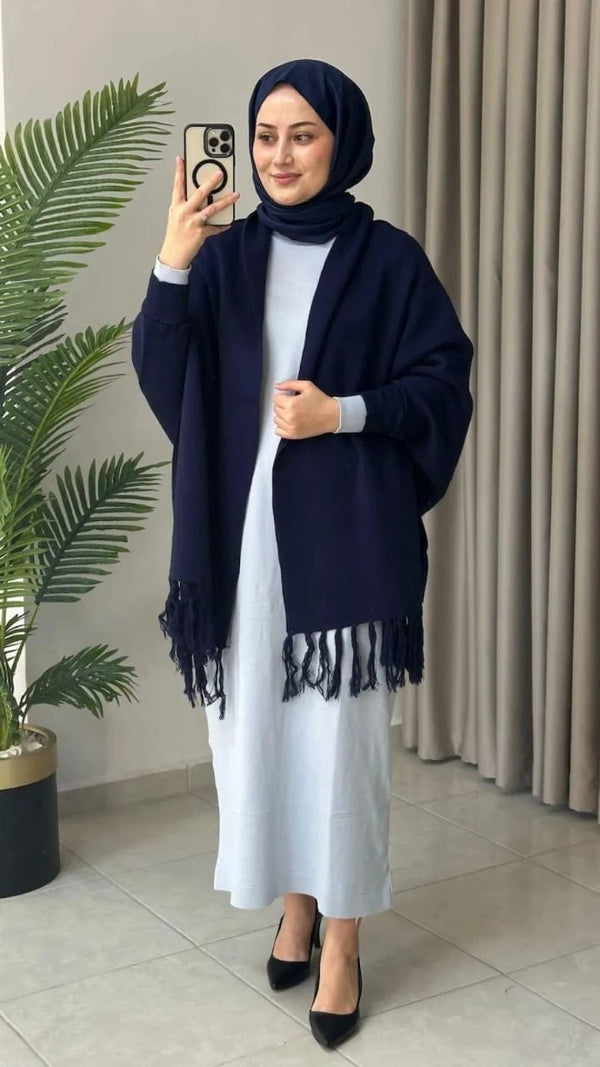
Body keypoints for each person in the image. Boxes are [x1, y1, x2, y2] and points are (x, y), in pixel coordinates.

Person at [131, 58, 473, 1050]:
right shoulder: (227, 256)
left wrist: (343, 412)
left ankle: (342, 942)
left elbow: (443, 384)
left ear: (342, 141)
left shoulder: (389, 259)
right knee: (260, 744)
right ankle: (294, 906)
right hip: (243, 551)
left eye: (304, 134)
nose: (281, 155)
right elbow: (170, 382)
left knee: (343, 751)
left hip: (346, 547)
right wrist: (172, 259)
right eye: (266, 134)